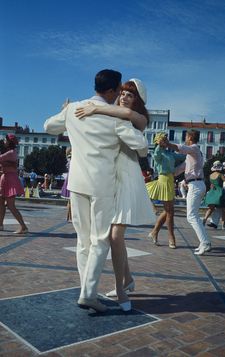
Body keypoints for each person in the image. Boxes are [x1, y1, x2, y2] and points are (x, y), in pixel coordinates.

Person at [44, 69, 148, 313]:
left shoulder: (73, 109)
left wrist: (65, 112)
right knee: (99, 240)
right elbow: (142, 146)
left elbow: (48, 126)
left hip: (77, 184)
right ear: (111, 91)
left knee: (83, 240)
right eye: (119, 90)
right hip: (103, 186)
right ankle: (88, 294)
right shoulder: (116, 119)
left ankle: (85, 290)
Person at [75, 78, 155, 311]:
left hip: (127, 181)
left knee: (115, 236)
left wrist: (97, 107)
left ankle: (121, 290)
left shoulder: (134, 120)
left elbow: (141, 142)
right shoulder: (115, 117)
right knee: (109, 236)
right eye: (122, 93)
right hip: (109, 182)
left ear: (138, 100)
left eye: (130, 95)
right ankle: (127, 279)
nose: (124, 97)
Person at [166, 130, 211, 255]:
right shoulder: (193, 153)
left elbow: (180, 148)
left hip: (196, 185)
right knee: (194, 216)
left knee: (191, 216)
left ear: (190, 137)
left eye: (186, 136)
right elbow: (181, 168)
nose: (185, 138)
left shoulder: (194, 148)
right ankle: (204, 242)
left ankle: (205, 242)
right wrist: (170, 174)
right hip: (197, 184)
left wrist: (167, 144)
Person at [146, 132, 185, 248]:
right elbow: (157, 154)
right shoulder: (158, 153)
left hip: (170, 181)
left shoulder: (170, 153)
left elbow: (183, 156)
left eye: (166, 139)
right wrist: (159, 144)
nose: (165, 140)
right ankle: (171, 238)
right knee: (170, 212)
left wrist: (188, 149)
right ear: (159, 141)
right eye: (163, 139)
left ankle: (154, 232)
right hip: (163, 180)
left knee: (168, 211)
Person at [0, 134, 28, 234]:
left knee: (11, 205)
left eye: (5, 140)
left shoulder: (11, 153)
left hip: (9, 178)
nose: (3, 141)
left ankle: (23, 226)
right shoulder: (10, 152)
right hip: (6, 177)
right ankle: (0, 225)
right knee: (1, 203)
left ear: (9, 142)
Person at [203, 161, 225, 230]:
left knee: (210, 209)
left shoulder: (210, 175)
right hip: (220, 193)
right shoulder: (220, 175)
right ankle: (223, 226)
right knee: (224, 210)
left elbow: (211, 185)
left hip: (212, 193)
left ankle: (204, 221)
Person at [61, 147, 72, 222]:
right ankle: (70, 217)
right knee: (71, 201)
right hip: (72, 179)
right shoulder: (72, 160)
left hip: (69, 179)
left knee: (69, 201)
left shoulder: (68, 160)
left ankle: (68, 217)